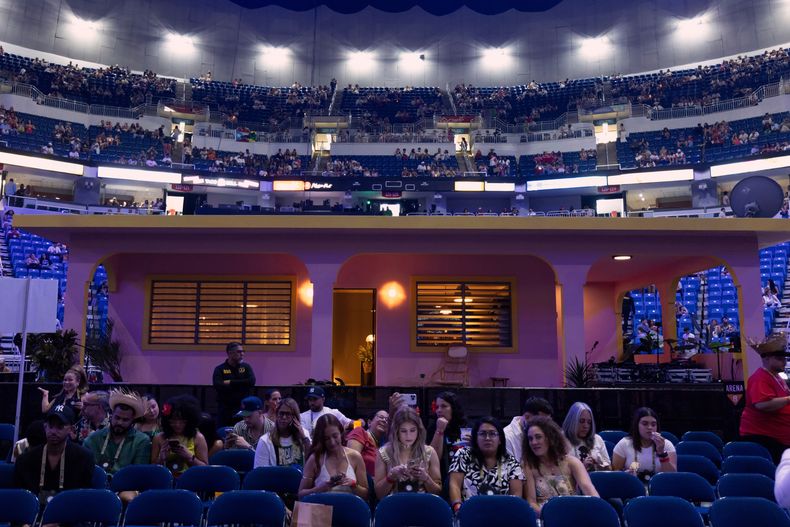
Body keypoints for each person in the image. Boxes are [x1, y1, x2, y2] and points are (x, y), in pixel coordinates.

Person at [14, 405, 94, 502]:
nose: (53, 431)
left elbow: (83, 498)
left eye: (60, 426)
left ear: (71, 429)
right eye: (50, 426)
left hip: (69, 512)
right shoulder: (25, 460)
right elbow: (21, 497)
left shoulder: (84, 458)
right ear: (45, 427)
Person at [522, 416, 599, 515]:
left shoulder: (572, 462)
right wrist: (550, 517)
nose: (533, 442)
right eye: (530, 439)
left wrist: (598, 510)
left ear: (550, 438)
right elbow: (531, 502)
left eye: (538, 437)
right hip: (544, 518)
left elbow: (590, 491)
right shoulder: (528, 465)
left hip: (572, 514)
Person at [448, 416, 522, 512]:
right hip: (469, 514)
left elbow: (516, 499)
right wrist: (458, 508)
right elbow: (454, 485)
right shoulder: (463, 455)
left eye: (492, 434)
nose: (487, 438)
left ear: (500, 439)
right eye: (482, 434)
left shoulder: (511, 462)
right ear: (476, 438)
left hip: (502, 516)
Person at [739, 334, 790, 463]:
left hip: (778, 438)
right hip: (765, 439)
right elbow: (763, 404)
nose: (784, 362)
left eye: (784, 359)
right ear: (766, 358)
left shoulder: (777, 376)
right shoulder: (760, 378)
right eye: (779, 358)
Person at [374, 407, 441, 499]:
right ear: (396, 432)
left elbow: (438, 493)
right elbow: (378, 494)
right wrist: (390, 477)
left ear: (419, 430)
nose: (408, 436)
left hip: (423, 505)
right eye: (403, 431)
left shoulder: (430, 452)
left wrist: (426, 478)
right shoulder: (383, 452)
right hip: (394, 506)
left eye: (412, 430)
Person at [297, 414, 368, 500]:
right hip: (321, 511)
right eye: (327, 439)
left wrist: (353, 485)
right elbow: (301, 494)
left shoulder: (355, 457)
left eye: (335, 436)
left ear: (341, 433)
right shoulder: (315, 459)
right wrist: (318, 489)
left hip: (349, 511)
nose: (332, 442)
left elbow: (365, 494)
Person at [83, 390, 151, 476]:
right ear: (111, 415)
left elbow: (138, 475)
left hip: (127, 488)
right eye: (117, 418)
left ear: (132, 421)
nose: (120, 422)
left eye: (125, 420)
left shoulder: (141, 441)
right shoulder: (93, 439)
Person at [611, 407, 677, 482]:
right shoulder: (624, 444)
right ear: (636, 425)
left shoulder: (667, 444)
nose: (650, 427)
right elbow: (615, 474)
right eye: (645, 424)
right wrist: (625, 474)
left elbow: (672, 476)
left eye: (653, 424)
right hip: (631, 486)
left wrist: (661, 453)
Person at [151, 395, 209, 477]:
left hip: (192, 481)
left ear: (190, 421)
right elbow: (151, 469)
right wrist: (161, 458)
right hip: (165, 482)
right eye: (172, 421)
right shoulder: (158, 438)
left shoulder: (198, 438)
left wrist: (190, 457)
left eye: (183, 421)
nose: (177, 425)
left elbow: (206, 468)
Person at [255, 397, 311, 468]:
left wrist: (304, 439)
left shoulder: (304, 434)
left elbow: (312, 465)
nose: (284, 417)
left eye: (288, 414)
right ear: (276, 415)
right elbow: (260, 472)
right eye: (281, 413)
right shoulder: (265, 440)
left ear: (295, 417)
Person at [427, 391, 468, 488]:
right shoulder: (433, 428)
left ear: (453, 408)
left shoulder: (465, 426)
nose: (439, 410)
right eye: (437, 407)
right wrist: (439, 431)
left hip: (464, 478)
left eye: (444, 406)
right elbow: (432, 458)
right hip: (442, 477)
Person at [212, 341, 256, 426]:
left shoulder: (246, 367)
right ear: (230, 353)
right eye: (239, 352)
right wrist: (242, 384)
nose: (242, 354)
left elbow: (251, 382)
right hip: (225, 408)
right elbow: (218, 385)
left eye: (243, 351)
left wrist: (231, 382)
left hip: (243, 407)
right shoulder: (220, 369)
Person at [561, 402, 610, 472]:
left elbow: (610, 469)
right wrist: (581, 467)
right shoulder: (561, 440)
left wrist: (600, 464)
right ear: (572, 421)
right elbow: (559, 473)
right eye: (581, 421)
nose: (586, 426)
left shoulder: (597, 439)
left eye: (589, 422)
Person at [504, 396, 554, 462]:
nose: (545, 426)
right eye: (541, 422)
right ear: (527, 417)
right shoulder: (506, 437)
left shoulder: (546, 432)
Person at [348, 409, 388, 477]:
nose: (384, 420)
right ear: (369, 422)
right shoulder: (360, 432)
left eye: (387, 420)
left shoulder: (384, 446)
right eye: (381, 417)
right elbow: (351, 464)